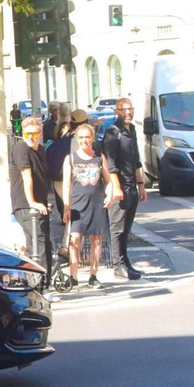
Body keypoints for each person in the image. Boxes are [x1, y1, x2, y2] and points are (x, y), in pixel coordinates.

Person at [63, 123, 118, 290]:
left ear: (92, 138)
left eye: (87, 137)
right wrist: (67, 207)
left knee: (96, 240)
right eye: (81, 137)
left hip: (97, 204)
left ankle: (93, 276)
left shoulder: (99, 158)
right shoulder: (70, 159)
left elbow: (108, 181)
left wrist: (109, 195)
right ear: (76, 139)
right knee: (75, 240)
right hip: (78, 205)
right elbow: (67, 185)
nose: (84, 140)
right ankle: (73, 277)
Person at [99, 97, 146, 280]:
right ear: (117, 112)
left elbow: (136, 161)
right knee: (117, 228)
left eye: (130, 109)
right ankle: (118, 265)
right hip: (121, 186)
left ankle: (126, 262)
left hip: (132, 185)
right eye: (124, 109)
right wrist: (116, 187)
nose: (128, 112)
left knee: (126, 229)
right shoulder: (113, 131)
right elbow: (110, 162)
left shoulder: (131, 130)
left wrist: (141, 184)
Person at [8, 116, 52, 281]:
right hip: (26, 204)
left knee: (44, 242)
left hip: (39, 203)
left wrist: (43, 202)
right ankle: (40, 283)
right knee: (37, 242)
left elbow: (42, 177)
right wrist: (33, 202)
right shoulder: (21, 148)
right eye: (28, 134)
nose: (31, 137)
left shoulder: (40, 150)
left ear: (40, 133)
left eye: (35, 133)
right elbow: (27, 175)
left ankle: (34, 279)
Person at [43, 110, 81, 287]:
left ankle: (67, 245)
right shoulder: (77, 142)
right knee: (73, 212)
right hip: (72, 180)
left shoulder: (62, 140)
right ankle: (67, 247)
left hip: (57, 180)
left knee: (69, 211)